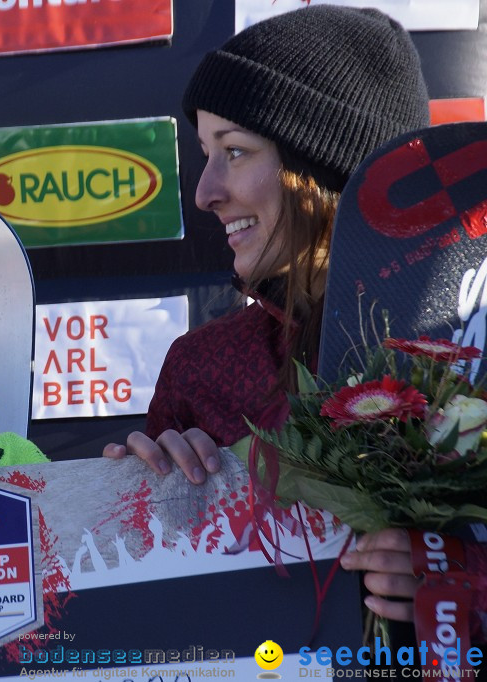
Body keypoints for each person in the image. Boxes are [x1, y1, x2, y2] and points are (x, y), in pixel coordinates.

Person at [102, 4, 486, 643]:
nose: (204, 191)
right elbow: (157, 619)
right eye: (205, 153)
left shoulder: (468, 346)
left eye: (234, 151)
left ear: (325, 169)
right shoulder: (201, 365)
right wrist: (135, 492)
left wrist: (466, 585)